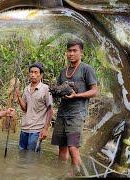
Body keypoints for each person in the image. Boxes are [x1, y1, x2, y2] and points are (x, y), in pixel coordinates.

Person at [51, 39, 98, 175]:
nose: (71, 54)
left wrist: (77, 95)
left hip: (76, 114)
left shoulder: (86, 69)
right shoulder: (63, 71)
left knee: (73, 148)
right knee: (62, 147)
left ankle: (77, 174)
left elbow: (94, 91)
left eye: (74, 51)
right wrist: (55, 91)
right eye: (69, 51)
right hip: (62, 113)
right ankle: (62, 173)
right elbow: (59, 90)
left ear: (81, 52)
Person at [16, 62, 53, 151]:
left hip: (37, 130)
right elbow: (25, 109)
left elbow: (50, 110)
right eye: (31, 72)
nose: (33, 75)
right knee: (22, 154)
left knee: (31, 157)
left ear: (41, 75)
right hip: (25, 128)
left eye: (36, 72)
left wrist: (45, 129)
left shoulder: (45, 89)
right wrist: (18, 97)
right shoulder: (26, 89)